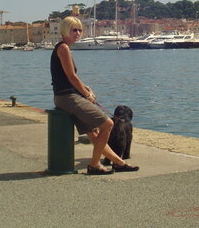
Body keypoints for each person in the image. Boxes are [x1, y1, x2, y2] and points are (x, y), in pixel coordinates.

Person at [51, 16, 139, 175]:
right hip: (67, 98)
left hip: (65, 96)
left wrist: (86, 88)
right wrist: (87, 95)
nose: (78, 33)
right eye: (74, 30)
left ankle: (119, 163)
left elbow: (68, 78)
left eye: (80, 30)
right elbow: (71, 77)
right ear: (65, 30)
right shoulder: (63, 48)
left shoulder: (64, 48)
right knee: (108, 125)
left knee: (94, 133)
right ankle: (94, 165)